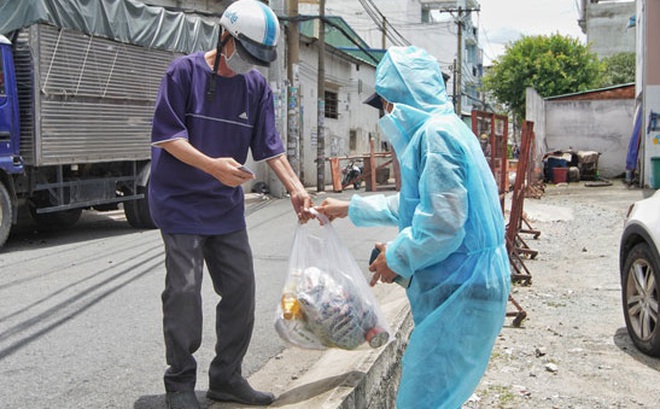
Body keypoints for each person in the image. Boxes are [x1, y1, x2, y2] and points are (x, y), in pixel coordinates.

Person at [315, 46, 511, 408]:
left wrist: (398, 257)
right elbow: (417, 206)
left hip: (463, 289)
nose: (385, 114)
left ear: (401, 98)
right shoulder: (447, 130)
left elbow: (442, 224)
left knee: (423, 399)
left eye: (387, 103)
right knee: (437, 396)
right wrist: (350, 208)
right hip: (470, 283)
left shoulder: (436, 136)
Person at [149, 1, 311, 408]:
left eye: (257, 60)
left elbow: (270, 147)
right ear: (225, 37)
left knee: (241, 289)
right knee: (184, 289)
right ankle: (181, 384)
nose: (247, 65)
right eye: (245, 54)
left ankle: (226, 377)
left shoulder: (255, 88)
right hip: (179, 202)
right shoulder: (182, 73)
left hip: (224, 207)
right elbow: (169, 137)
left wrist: (296, 187)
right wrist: (212, 168)